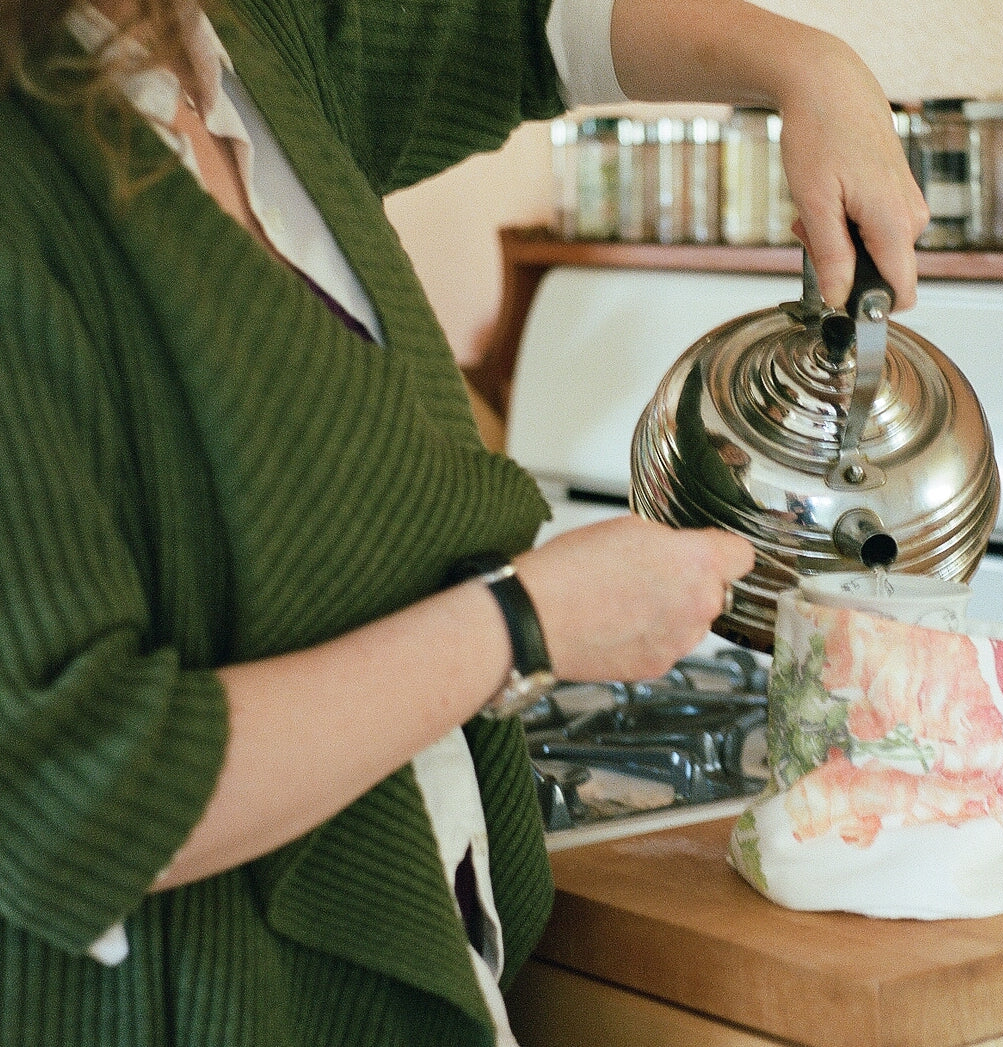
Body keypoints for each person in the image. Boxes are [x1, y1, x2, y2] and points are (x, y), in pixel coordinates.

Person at [0, 0, 928, 1041]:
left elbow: (520, 25)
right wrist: (520, 627)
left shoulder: (247, 43)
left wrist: (809, 67)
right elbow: (73, 798)